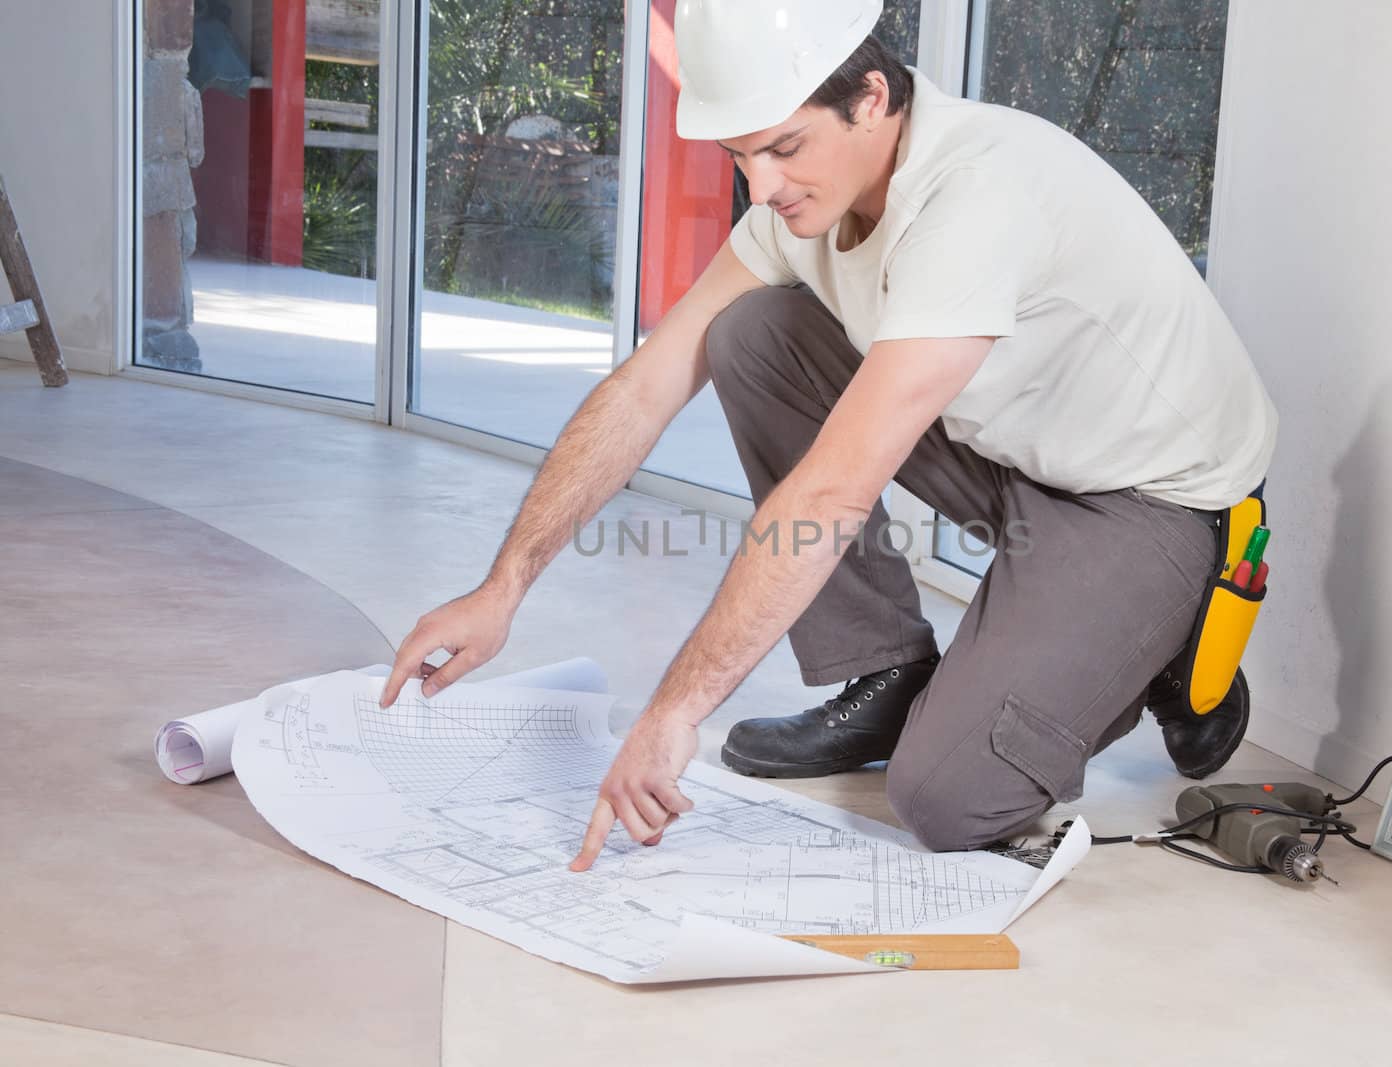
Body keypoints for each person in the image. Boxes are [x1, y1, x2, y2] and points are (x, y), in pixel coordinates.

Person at [380, 0, 1277, 871]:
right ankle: (887, 672)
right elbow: (647, 385)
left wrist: (674, 713)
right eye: (741, 156)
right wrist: (503, 586)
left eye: (783, 147)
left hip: (1150, 497)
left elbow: (832, 490)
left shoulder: (976, 198)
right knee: (752, 332)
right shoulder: (815, 198)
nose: (762, 187)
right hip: (1021, 448)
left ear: (874, 98)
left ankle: (1166, 626)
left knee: (948, 796)